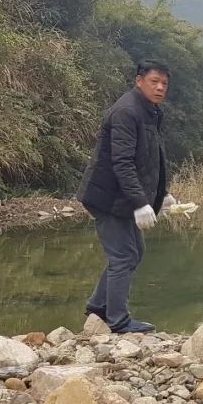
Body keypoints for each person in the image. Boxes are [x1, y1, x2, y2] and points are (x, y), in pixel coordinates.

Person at [78, 60, 179, 334]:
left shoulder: (151, 112)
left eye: (164, 83)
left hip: (122, 196)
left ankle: (99, 306)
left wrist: (161, 194)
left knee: (135, 253)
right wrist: (140, 202)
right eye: (154, 81)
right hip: (107, 196)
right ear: (139, 81)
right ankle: (119, 321)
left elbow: (149, 160)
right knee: (123, 256)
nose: (159, 87)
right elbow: (122, 163)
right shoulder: (126, 111)